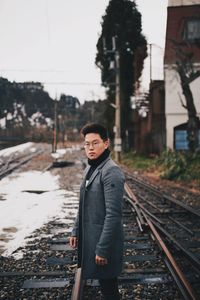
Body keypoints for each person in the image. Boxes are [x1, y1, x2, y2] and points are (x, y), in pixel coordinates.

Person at [70, 123, 125, 300]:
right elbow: (83, 204)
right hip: (92, 240)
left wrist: (102, 249)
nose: (90, 148)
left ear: (106, 143)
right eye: (87, 144)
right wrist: (75, 229)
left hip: (104, 243)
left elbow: (113, 215)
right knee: (106, 286)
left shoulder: (111, 172)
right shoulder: (91, 168)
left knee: (109, 290)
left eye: (95, 143)